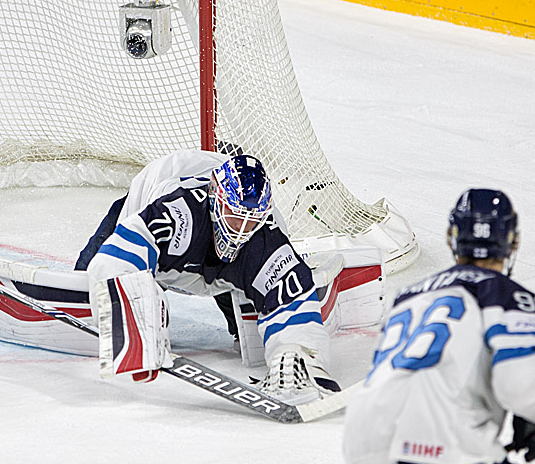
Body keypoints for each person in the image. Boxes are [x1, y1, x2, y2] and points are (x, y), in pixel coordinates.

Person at [342, 188, 535, 464]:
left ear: (452, 238)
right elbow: (524, 389)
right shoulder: (505, 296)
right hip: (444, 446)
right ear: (512, 241)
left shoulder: (408, 296)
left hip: (366, 448)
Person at [80, 148, 341, 405]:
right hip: (158, 191)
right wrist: (136, 322)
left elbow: (294, 308)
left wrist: (301, 360)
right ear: (215, 199)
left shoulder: (266, 239)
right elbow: (114, 262)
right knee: (85, 281)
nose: (241, 232)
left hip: (219, 273)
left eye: (251, 222)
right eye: (235, 218)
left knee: (251, 325)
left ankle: (241, 320)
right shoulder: (175, 213)